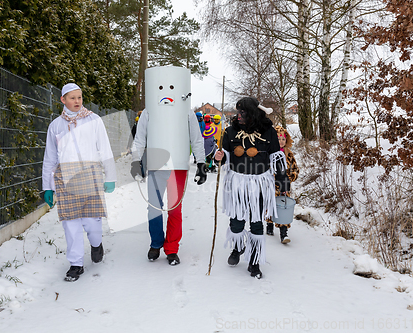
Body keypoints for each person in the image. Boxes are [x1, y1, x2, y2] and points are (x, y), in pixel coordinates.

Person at [131, 65, 207, 266]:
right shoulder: (149, 112)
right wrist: (136, 161)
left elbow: (196, 139)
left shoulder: (187, 113)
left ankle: (172, 248)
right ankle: (156, 243)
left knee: (175, 208)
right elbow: (140, 139)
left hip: (178, 166)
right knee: (154, 208)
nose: (167, 91)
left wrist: (201, 162)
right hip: (156, 165)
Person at [42, 83, 116, 282]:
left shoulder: (94, 120)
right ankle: (76, 264)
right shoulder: (56, 126)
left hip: (90, 175)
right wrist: (47, 187)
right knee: (70, 224)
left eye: (80, 97)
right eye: (72, 98)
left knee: (92, 222)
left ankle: (96, 243)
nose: (77, 101)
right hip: (65, 179)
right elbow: (49, 158)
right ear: (63, 100)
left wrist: (110, 177)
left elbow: (105, 149)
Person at [214, 97, 286, 279]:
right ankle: (238, 247)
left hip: (260, 184)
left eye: (243, 112)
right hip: (237, 183)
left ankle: (254, 262)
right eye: (238, 111)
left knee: (256, 223)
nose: (239, 115)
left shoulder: (268, 132)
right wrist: (219, 157)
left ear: (253, 113)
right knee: (236, 223)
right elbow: (224, 157)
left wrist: (283, 182)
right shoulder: (230, 132)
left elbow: (276, 158)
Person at [266, 125, 300, 243]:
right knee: (270, 206)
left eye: (283, 139)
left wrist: (290, 177)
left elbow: (295, 168)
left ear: (286, 140)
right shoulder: (269, 153)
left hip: (284, 186)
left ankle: (283, 233)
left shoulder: (288, 154)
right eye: (278, 139)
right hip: (271, 186)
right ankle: (269, 224)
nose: (281, 142)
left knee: (284, 208)